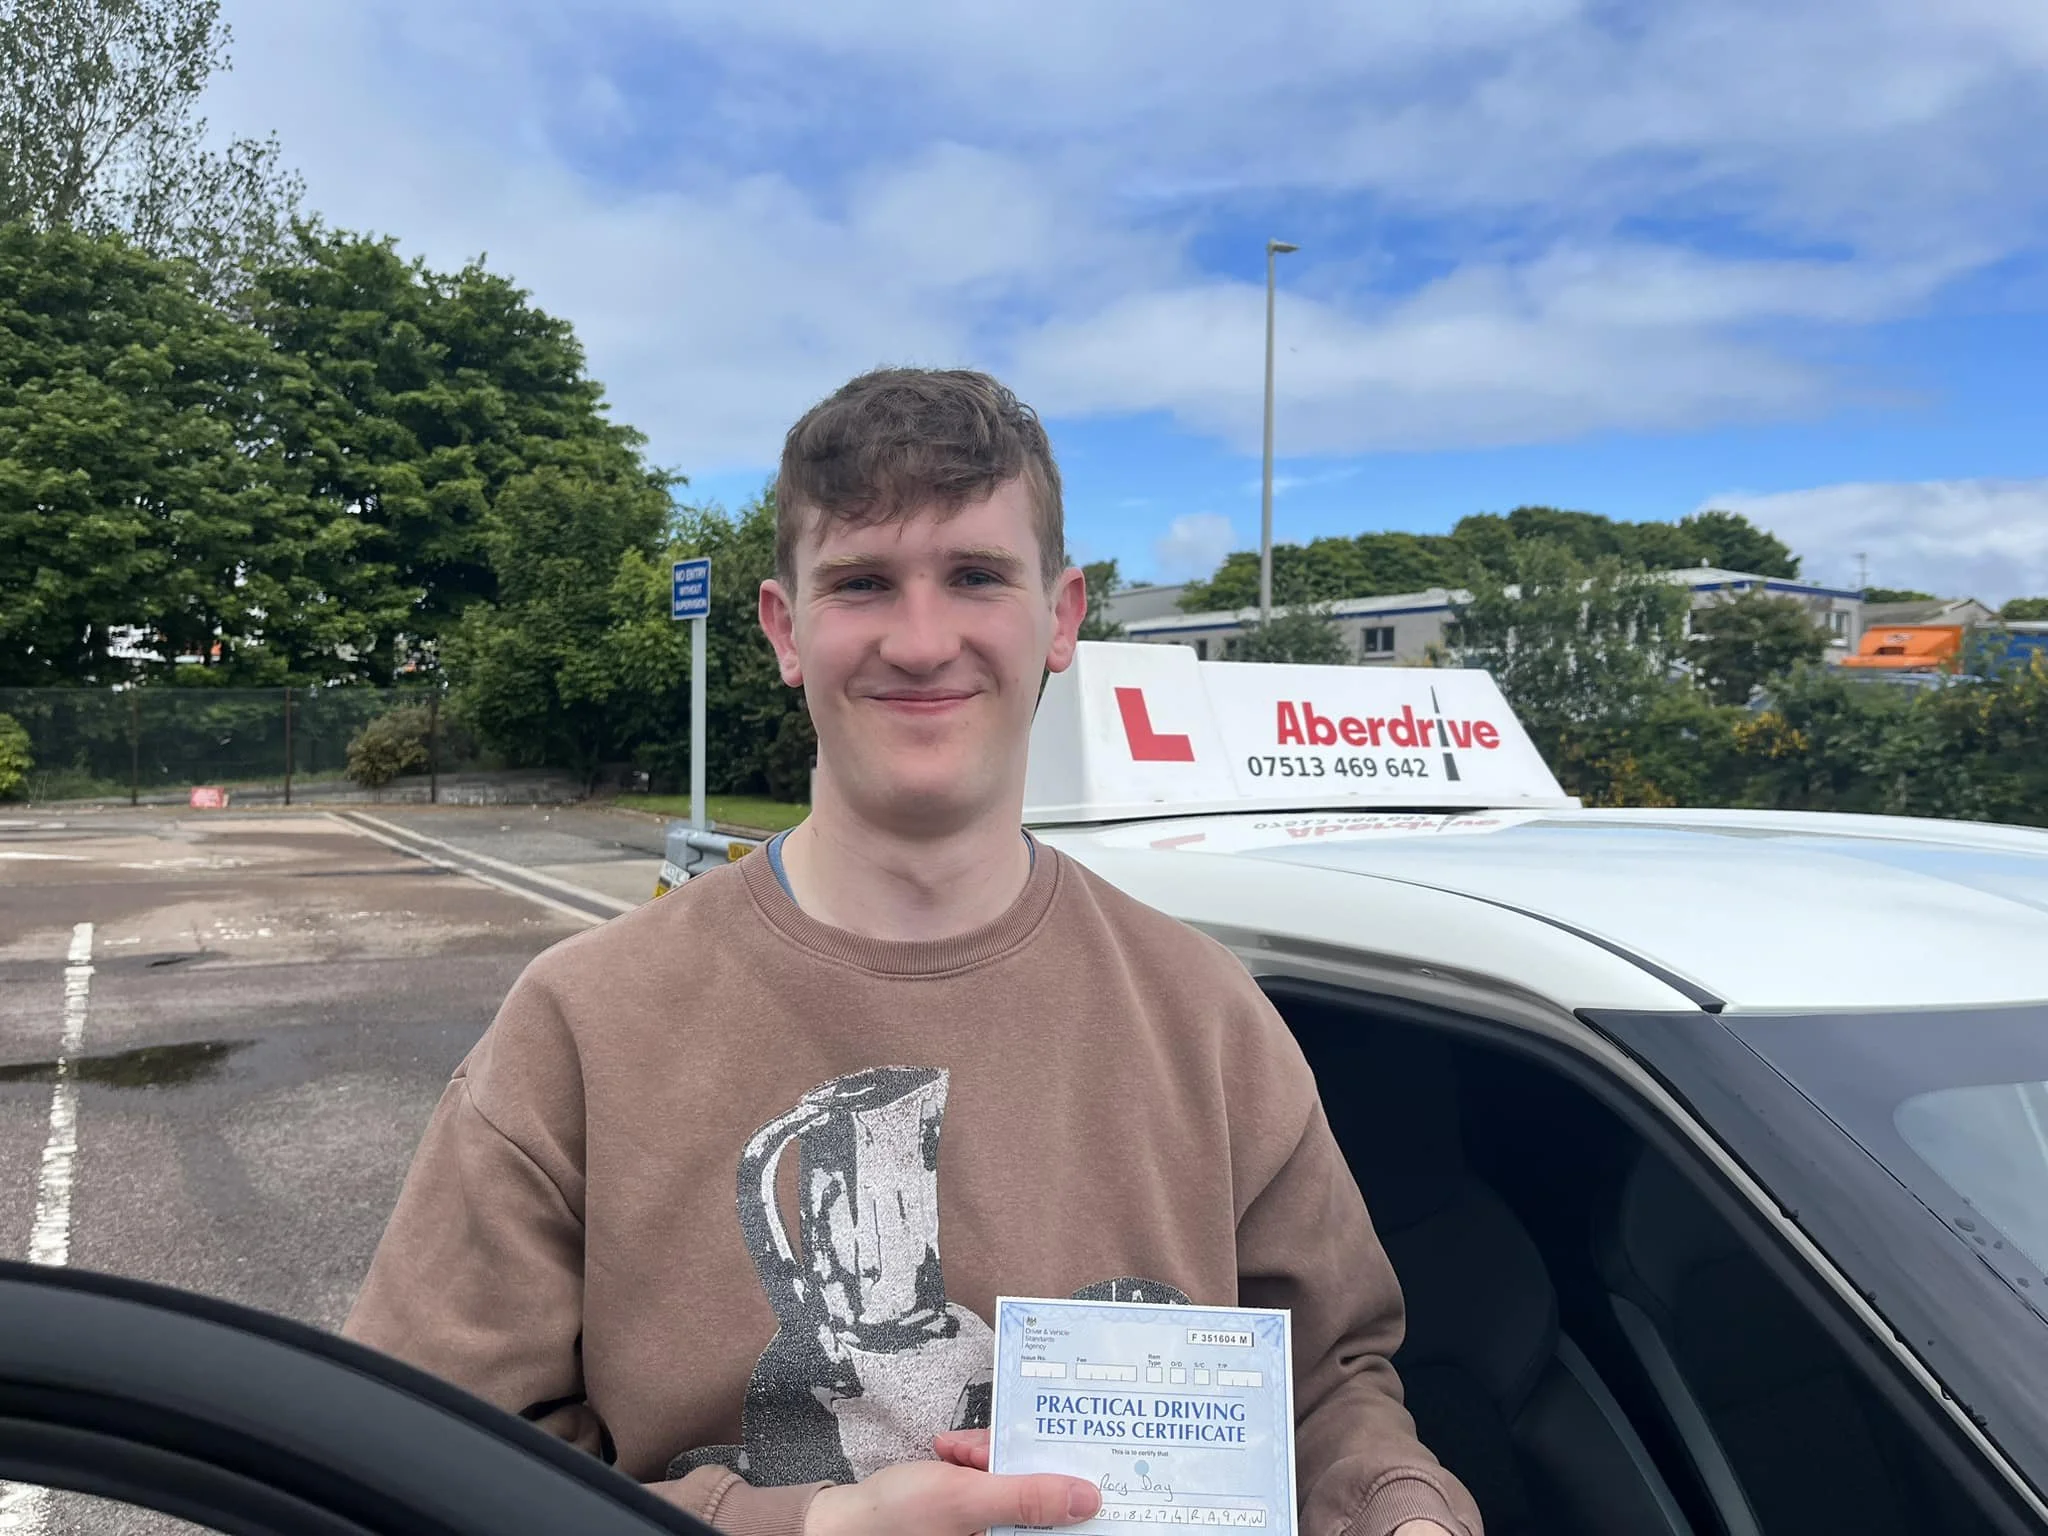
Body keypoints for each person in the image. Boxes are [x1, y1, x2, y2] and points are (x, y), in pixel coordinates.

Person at [344, 367, 1481, 1536]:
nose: (922, 641)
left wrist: (1396, 1513)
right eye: (862, 583)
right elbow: (410, 1465)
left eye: (977, 577)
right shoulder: (579, 1027)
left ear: (1061, 617)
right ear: (785, 630)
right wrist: (796, 1527)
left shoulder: (1205, 1014)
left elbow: (1331, 1386)